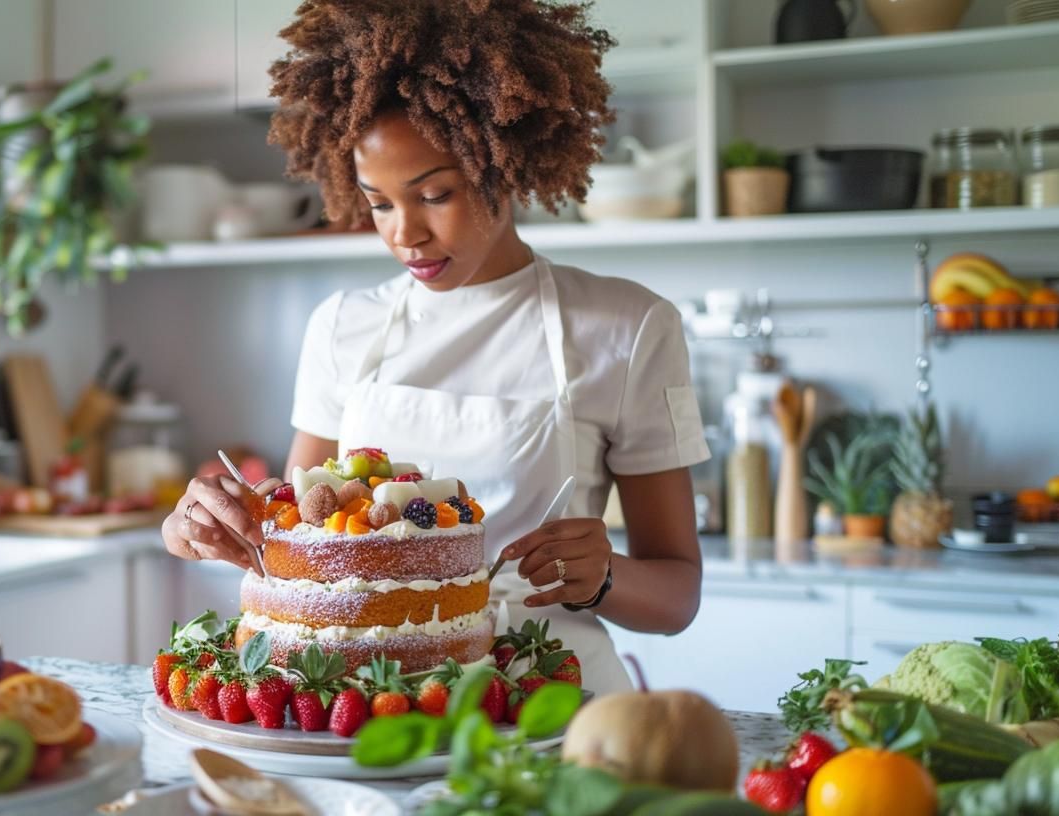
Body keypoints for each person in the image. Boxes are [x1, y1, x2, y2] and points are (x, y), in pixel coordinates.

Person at [160, 0, 708, 694]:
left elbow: (677, 596)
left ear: (503, 164)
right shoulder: (342, 326)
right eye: (381, 202)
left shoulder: (627, 326)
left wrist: (603, 577)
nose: (403, 235)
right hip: (378, 700)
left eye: (436, 194)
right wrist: (199, 527)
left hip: (550, 702)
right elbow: (289, 542)